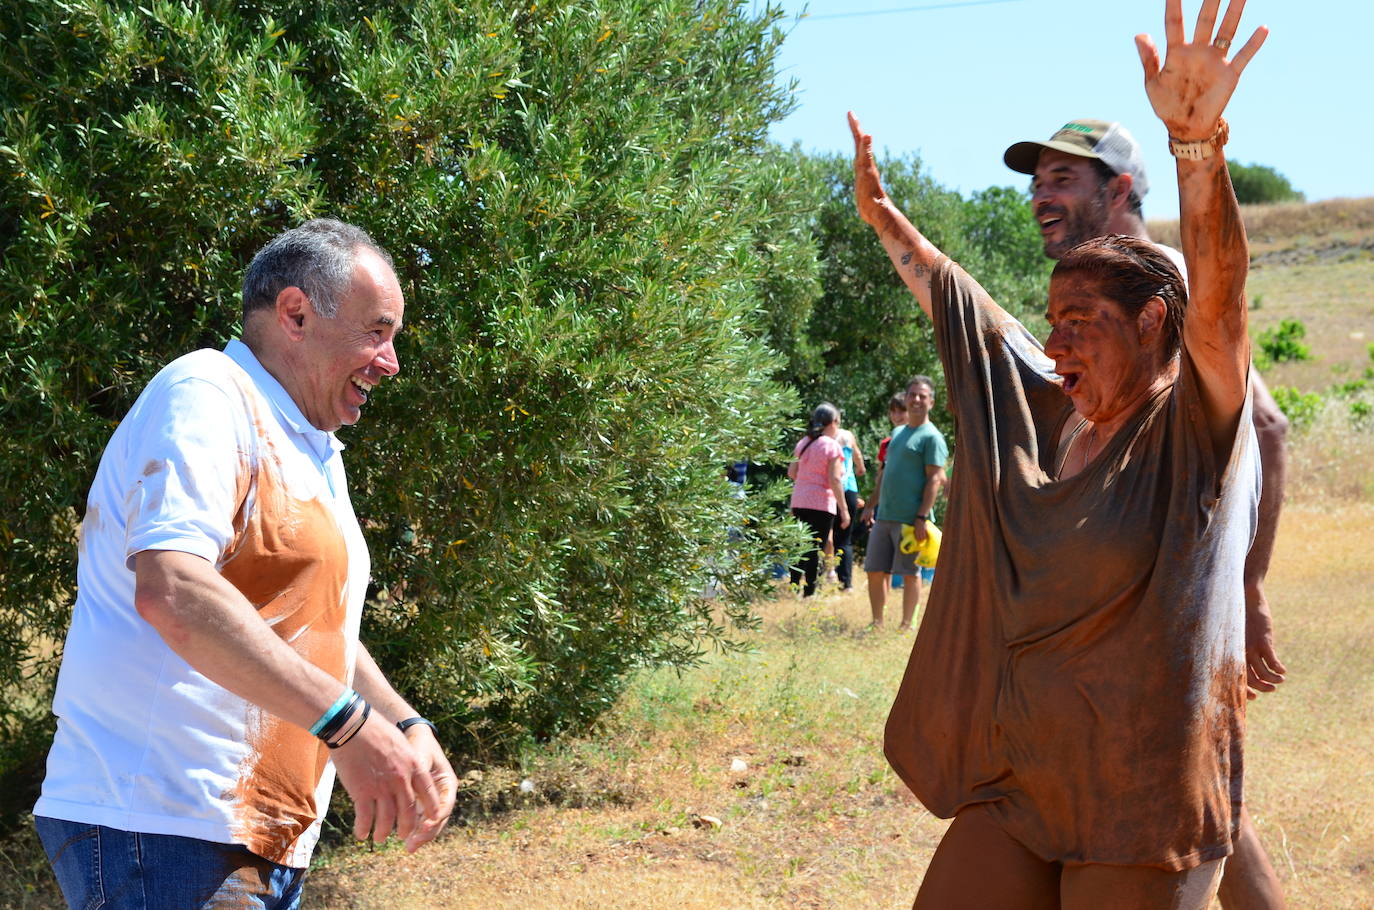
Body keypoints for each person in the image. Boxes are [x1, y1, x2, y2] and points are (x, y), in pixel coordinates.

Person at [851, 0, 1270, 904]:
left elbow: (1222, 311)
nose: (1059, 345)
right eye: (1054, 324)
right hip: (1025, 770)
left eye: (1081, 325)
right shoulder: (1060, 406)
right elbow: (970, 318)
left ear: (1154, 322)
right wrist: (888, 225)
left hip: (1142, 784)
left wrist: (1200, 152)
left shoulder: (1189, 424)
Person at [33, 219, 458, 909]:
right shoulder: (208, 392)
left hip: (243, 837)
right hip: (165, 826)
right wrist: (348, 726)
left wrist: (403, 724)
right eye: (377, 331)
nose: (390, 361)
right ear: (294, 313)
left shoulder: (310, 447)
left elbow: (305, 628)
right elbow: (173, 590)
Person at [1003, 108, 1288, 910]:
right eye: (1037, 182)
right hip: (1143, 583)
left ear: (1119, 186)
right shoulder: (1099, 280)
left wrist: (1244, 587)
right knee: (1206, 783)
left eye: (1063, 178)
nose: (1040, 197)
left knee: (1189, 780)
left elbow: (1260, 421)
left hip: (1174, 578)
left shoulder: (1159, 271)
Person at [860, 378, 947, 629]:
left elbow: (934, 479)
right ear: (906, 398)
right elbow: (886, 475)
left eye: (922, 396)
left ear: (931, 401)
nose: (916, 400)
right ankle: (877, 622)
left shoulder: (932, 438)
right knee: (874, 570)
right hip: (884, 516)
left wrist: (921, 517)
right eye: (912, 395)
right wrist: (871, 505)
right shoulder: (897, 433)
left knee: (910, 574)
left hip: (912, 521)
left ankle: (907, 625)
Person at [788, 403, 851, 597]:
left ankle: (793, 587)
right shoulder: (832, 446)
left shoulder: (803, 443)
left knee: (800, 545)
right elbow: (835, 479)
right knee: (816, 547)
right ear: (832, 423)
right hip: (822, 503)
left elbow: (792, 472)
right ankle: (809, 592)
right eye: (838, 423)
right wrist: (844, 509)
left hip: (799, 501)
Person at [827, 416, 867, 591]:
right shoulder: (848, 436)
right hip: (849, 488)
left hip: (828, 489)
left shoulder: (823, 438)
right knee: (845, 539)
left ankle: (827, 573)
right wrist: (861, 468)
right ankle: (846, 584)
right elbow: (857, 456)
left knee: (827, 534)